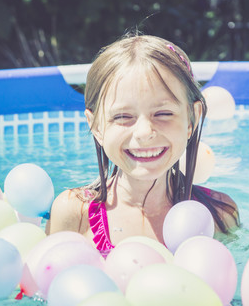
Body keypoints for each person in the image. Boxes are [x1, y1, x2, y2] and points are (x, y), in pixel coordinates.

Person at [47, 33, 239, 255]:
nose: (144, 132)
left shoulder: (219, 215)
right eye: (122, 117)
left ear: (191, 119)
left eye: (164, 113)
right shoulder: (74, 214)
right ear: (96, 127)